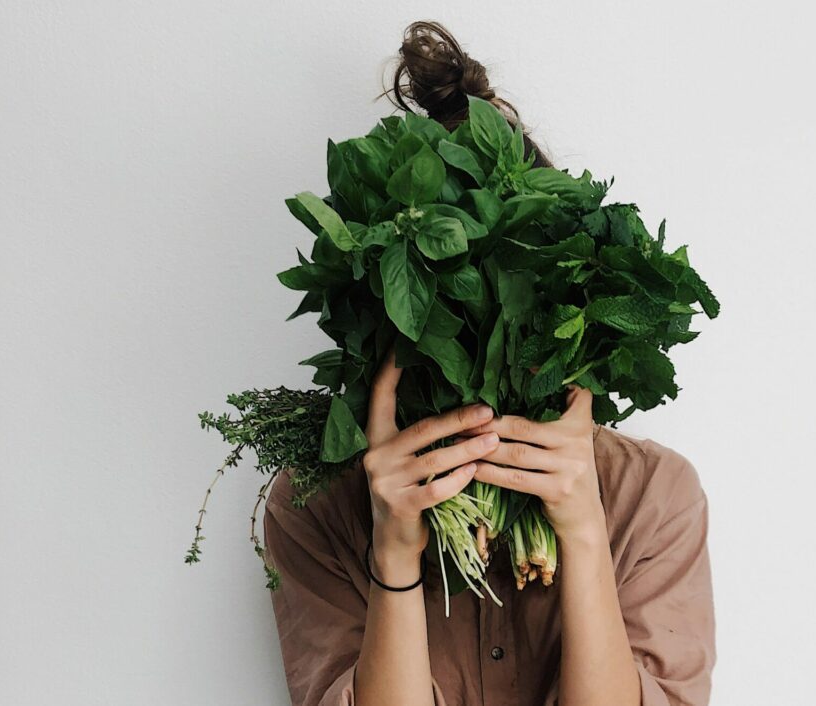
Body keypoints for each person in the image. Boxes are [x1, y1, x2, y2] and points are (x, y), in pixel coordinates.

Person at [263, 21, 716, 706]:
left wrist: (586, 535)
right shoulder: (318, 506)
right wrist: (393, 554)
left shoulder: (650, 497)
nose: (479, 358)